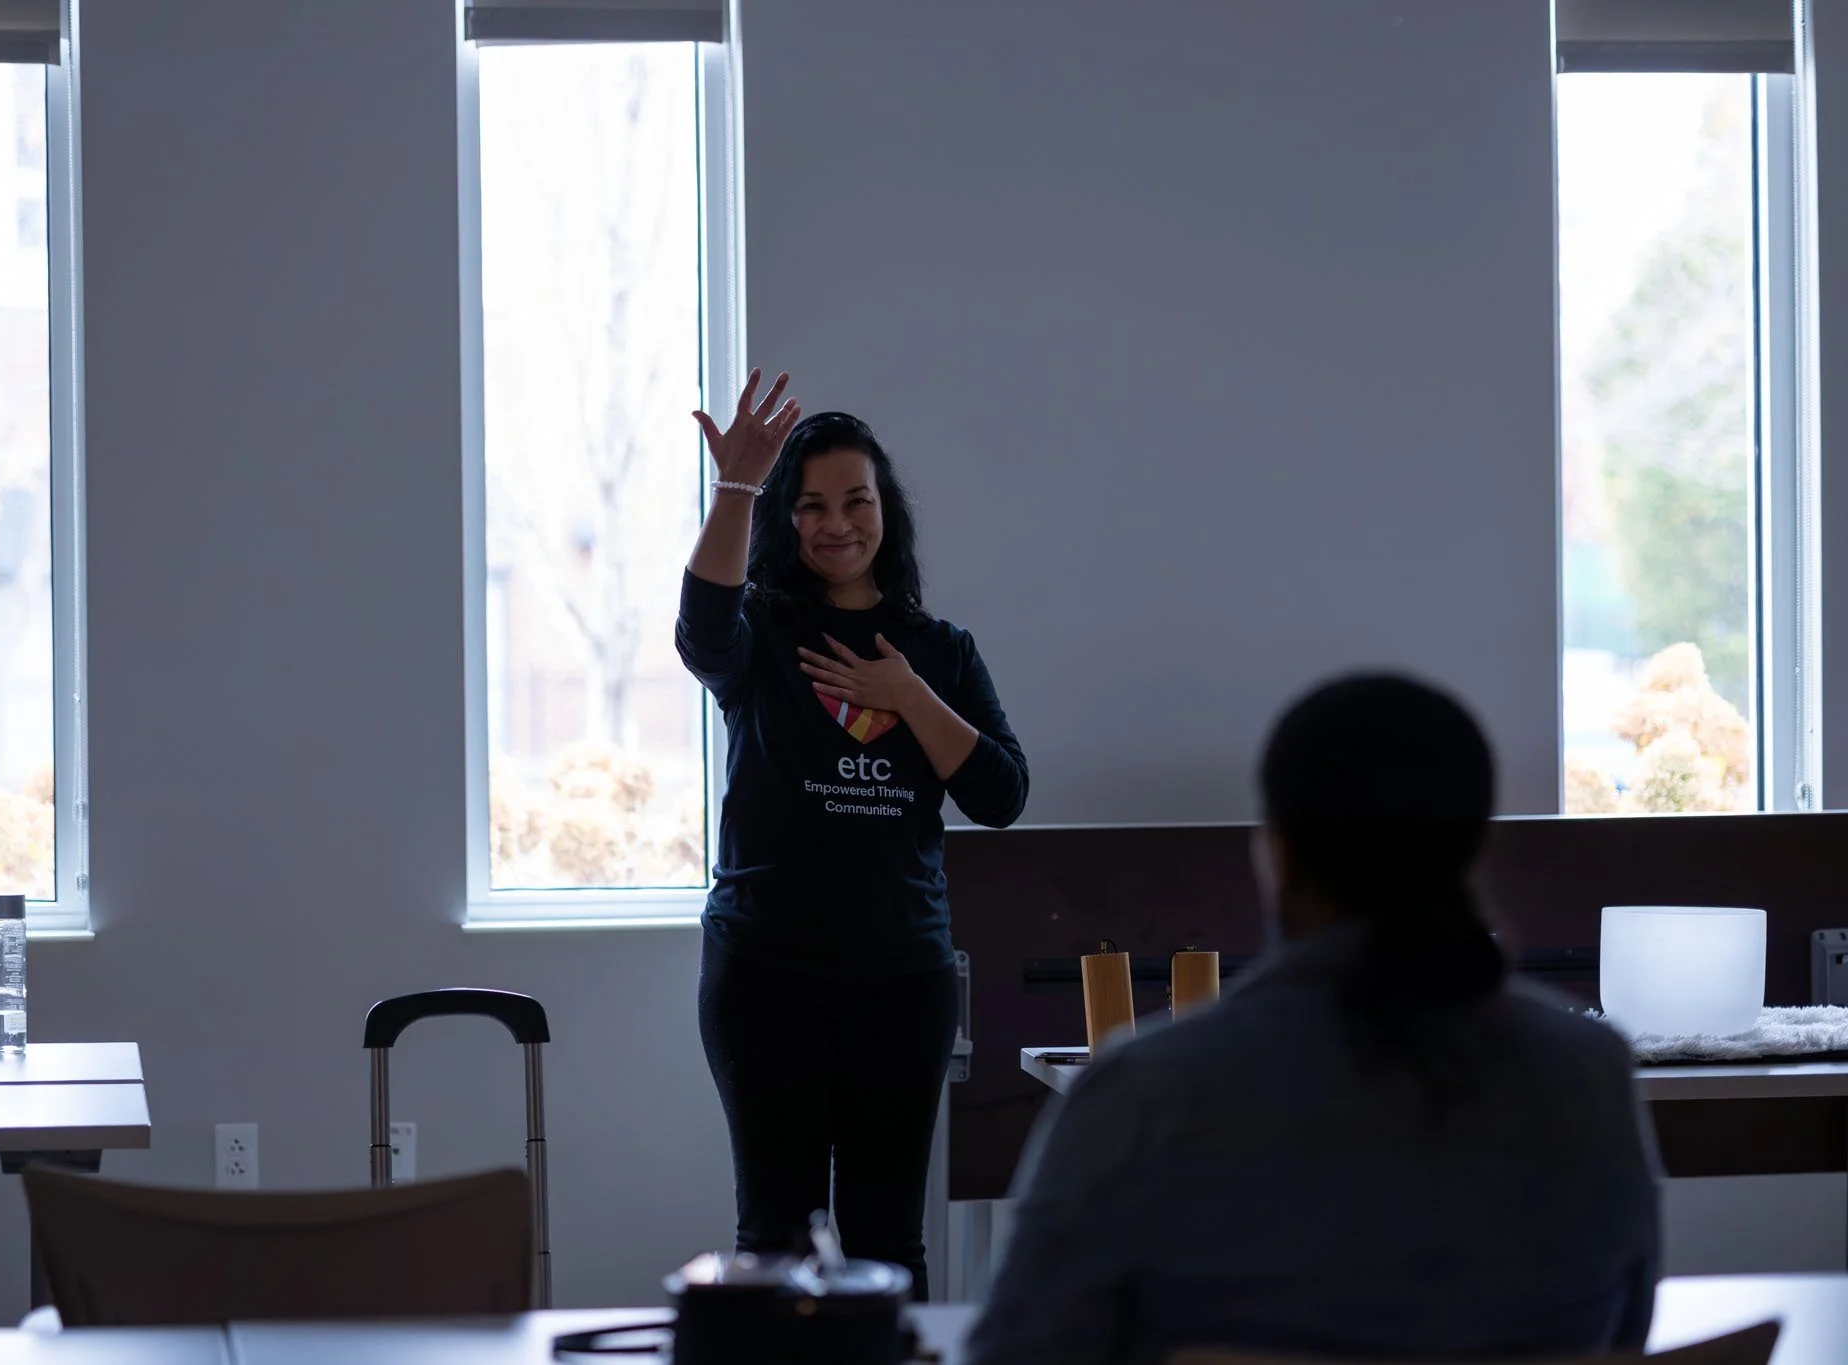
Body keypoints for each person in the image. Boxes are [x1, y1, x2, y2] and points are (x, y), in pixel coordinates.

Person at [966, 674, 1661, 1364]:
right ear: (1475, 845)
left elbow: (1018, 1352)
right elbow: (1627, 1332)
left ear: (1278, 850)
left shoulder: (1145, 1093)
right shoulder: (1586, 1072)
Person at [676, 371, 1029, 1300]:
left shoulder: (941, 650)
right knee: (775, 1243)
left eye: (856, 501)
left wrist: (907, 693)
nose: (837, 523)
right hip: (766, 976)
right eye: (812, 505)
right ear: (786, 519)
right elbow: (700, 632)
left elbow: (1001, 795)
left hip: (901, 983)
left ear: (885, 510)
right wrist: (737, 487)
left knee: (888, 1244)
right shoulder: (763, 630)